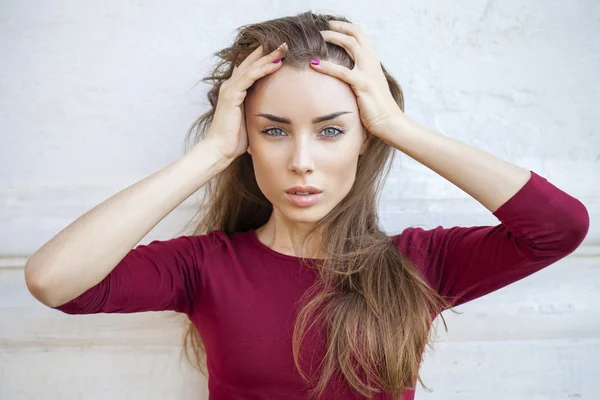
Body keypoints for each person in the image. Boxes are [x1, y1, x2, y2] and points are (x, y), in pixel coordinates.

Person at [24, 10, 589, 400]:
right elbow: (54, 281)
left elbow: (559, 228)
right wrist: (213, 151)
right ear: (246, 138)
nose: (301, 161)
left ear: (363, 136)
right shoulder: (206, 266)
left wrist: (394, 123)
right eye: (273, 131)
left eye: (329, 131)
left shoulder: (420, 262)